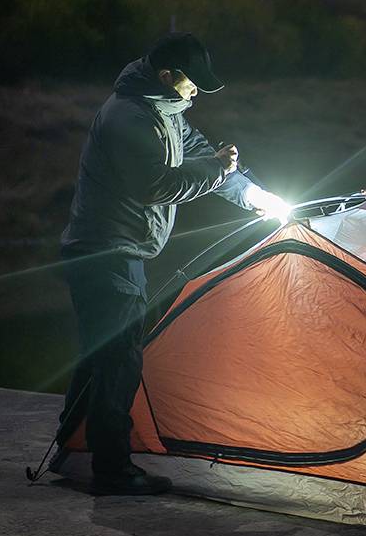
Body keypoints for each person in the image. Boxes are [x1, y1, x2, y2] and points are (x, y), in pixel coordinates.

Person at [54, 32, 286, 494]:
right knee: (119, 359)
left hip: (119, 251)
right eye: (192, 82)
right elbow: (156, 186)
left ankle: (74, 446)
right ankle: (112, 469)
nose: (197, 91)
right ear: (166, 76)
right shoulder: (129, 118)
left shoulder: (166, 111)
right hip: (106, 253)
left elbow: (202, 157)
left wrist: (257, 198)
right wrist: (217, 169)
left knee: (103, 354)